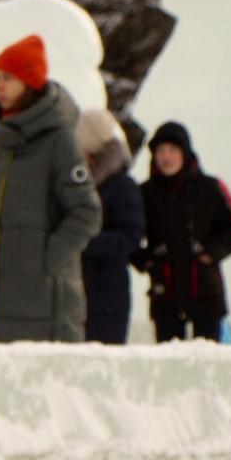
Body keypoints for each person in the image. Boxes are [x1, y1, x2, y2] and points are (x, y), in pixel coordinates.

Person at [0, 34, 101, 343]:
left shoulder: (60, 141)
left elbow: (86, 212)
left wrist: (45, 261)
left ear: (30, 82)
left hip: (43, 301)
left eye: (8, 78)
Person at [135, 121, 231, 343]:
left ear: (185, 153)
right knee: (167, 362)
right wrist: (145, 261)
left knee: (208, 361)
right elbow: (128, 233)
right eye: (161, 151)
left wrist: (211, 253)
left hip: (205, 290)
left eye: (172, 151)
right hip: (165, 292)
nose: (166, 157)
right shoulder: (144, 193)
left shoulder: (211, 187)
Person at [75, 107, 144, 344]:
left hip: (107, 292)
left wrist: (85, 242)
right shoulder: (80, 183)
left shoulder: (121, 186)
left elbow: (131, 236)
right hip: (81, 288)